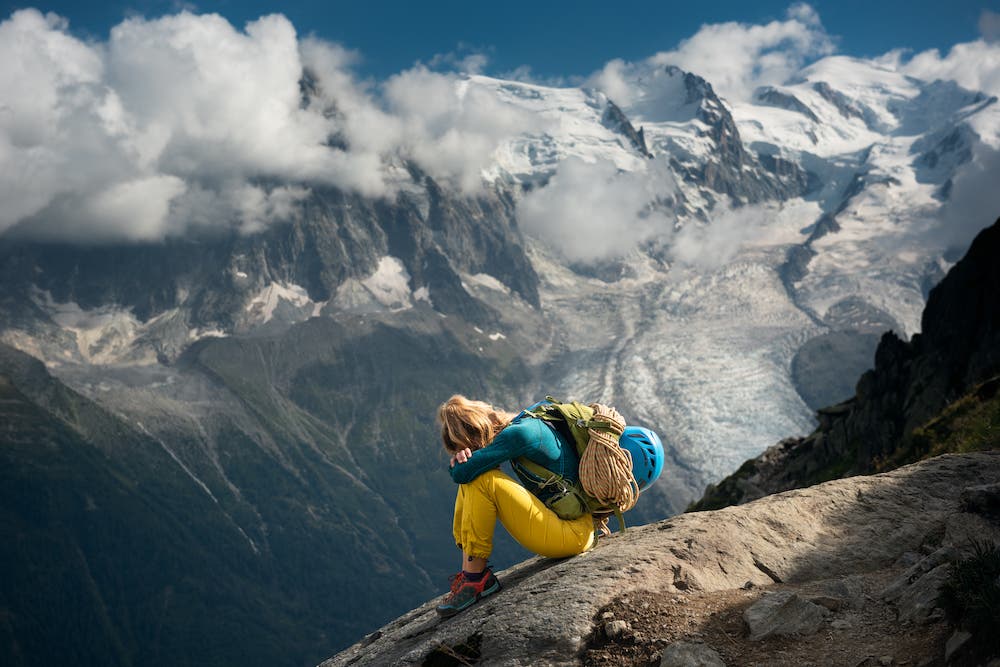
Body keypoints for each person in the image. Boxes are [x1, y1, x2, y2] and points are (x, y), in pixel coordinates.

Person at [434, 394, 597, 617]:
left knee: (480, 480)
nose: (473, 452)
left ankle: (475, 580)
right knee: (476, 479)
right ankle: (471, 574)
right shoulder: (527, 421)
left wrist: (459, 463)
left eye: (469, 447)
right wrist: (469, 463)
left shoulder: (518, 434)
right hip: (575, 527)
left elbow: (462, 473)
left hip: (572, 535)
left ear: (475, 433)